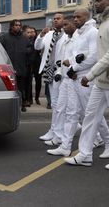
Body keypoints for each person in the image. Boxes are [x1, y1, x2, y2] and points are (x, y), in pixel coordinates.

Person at [67, 0, 109, 170]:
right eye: (94, 0)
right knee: (90, 116)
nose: (95, 3)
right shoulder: (105, 20)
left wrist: (90, 74)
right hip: (102, 80)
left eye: (98, 0)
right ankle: (85, 154)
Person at [47, 12, 109, 157]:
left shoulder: (92, 32)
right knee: (71, 112)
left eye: (79, 17)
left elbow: (94, 56)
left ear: (87, 17)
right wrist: (70, 64)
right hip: (72, 77)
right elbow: (77, 54)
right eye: (74, 17)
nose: (76, 19)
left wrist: (74, 66)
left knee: (91, 114)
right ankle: (65, 146)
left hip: (85, 78)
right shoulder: (79, 33)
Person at [35, 13, 67, 145]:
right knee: (54, 103)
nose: (55, 20)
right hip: (49, 70)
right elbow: (37, 47)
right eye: (54, 19)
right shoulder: (48, 34)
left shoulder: (67, 35)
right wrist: (40, 35)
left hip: (62, 72)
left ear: (64, 20)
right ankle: (54, 130)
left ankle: (57, 131)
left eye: (58, 18)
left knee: (60, 104)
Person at [0, 20, 31, 112]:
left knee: (21, 87)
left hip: (21, 66)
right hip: (8, 68)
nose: (18, 27)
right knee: (9, 87)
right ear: (11, 26)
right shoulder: (4, 37)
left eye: (19, 25)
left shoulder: (24, 38)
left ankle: (23, 103)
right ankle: (9, 105)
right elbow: (0, 50)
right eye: (16, 25)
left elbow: (30, 49)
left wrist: (26, 55)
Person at [22, 25, 42, 107]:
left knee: (38, 81)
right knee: (28, 82)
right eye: (29, 32)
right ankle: (28, 99)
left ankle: (37, 97)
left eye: (33, 32)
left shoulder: (38, 40)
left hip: (37, 62)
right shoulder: (25, 41)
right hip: (28, 63)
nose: (31, 34)